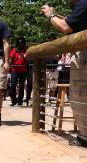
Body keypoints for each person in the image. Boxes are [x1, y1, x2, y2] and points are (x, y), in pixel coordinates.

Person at [41, 0, 87, 145]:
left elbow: (66, 27)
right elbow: (69, 22)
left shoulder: (84, 4)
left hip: (84, 58)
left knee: (80, 97)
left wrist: (50, 15)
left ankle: (86, 137)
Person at [9, 37, 28, 106]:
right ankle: (14, 100)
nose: (21, 44)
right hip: (15, 70)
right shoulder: (14, 50)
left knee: (21, 86)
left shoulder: (26, 51)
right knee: (13, 85)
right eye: (19, 42)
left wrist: (23, 54)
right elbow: (10, 59)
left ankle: (20, 101)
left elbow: (27, 58)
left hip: (23, 70)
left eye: (22, 42)